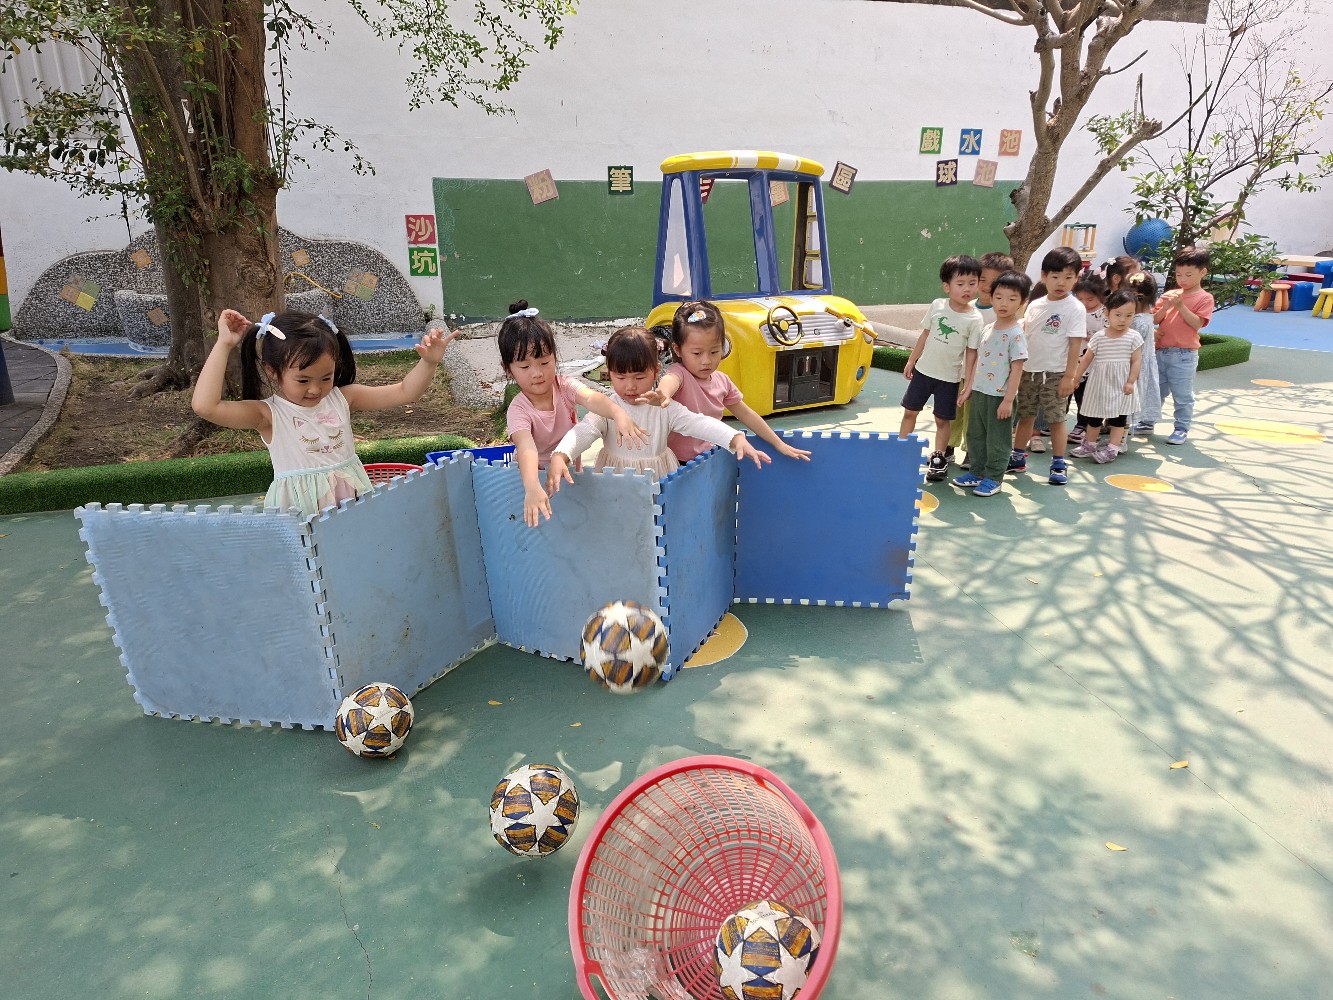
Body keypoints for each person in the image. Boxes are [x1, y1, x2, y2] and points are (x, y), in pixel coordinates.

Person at [192, 309, 453, 516]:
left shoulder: (343, 398)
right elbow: (206, 406)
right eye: (303, 380)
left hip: (352, 505)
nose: (316, 389)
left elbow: (406, 392)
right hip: (300, 514)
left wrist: (428, 362)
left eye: (326, 377)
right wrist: (224, 344)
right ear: (272, 371)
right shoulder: (268, 415)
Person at [546, 326, 770, 491]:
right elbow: (584, 430)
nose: (630, 386)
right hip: (616, 480)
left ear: (655, 371)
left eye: (639, 377)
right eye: (620, 377)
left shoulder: (664, 408)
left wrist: (734, 438)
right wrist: (562, 454)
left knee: (658, 528)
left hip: (658, 477)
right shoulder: (607, 409)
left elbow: (699, 423)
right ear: (609, 373)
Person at [498, 300, 648, 527]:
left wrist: (617, 412)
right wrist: (532, 486)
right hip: (532, 478)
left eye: (544, 362)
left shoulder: (563, 385)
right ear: (508, 369)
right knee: (541, 525)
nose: (537, 373)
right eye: (525, 367)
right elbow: (526, 448)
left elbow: (591, 398)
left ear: (555, 357)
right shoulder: (518, 410)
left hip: (567, 470)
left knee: (573, 523)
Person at [639, 299, 812, 463]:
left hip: (711, 457)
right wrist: (664, 394)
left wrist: (778, 444)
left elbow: (747, 414)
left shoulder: (723, 381)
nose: (706, 360)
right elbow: (670, 380)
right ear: (678, 350)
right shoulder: (680, 373)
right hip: (679, 464)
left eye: (714, 352)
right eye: (697, 353)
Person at [900, 255, 984, 482]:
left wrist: (969, 384)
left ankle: (939, 457)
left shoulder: (975, 319)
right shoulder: (937, 306)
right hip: (923, 372)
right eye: (960, 283)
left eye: (972, 283)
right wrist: (912, 360)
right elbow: (925, 334)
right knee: (910, 412)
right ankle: (902, 449)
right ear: (947, 286)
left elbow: (972, 353)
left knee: (942, 420)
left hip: (949, 379)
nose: (967, 289)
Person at [1009, 246, 1087, 485]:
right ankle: (1017, 457)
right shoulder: (1035, 305)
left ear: (1076, 278)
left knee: (1056, 420)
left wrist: (1069, 377)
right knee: (1025, 416)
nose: (1061, 282)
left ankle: (1059, 463)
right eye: (1055, 276)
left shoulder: (1075, 308)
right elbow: (1027, 335)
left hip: (1056, 373)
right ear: (1044, 276)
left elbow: (1075, 345)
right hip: (1029, 371)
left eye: (1068, 277)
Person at [950, 270, 1030, 497]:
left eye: (1012, 299)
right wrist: (968, 388)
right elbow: (978, 360)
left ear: (1022, 302)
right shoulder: (987, 329)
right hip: (979, 393)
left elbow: (1017, 368)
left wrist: (1008, 400)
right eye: (999, 297)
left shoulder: (1016, 334)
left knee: (997, 440)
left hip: (999, 397)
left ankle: (994, 478)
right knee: (976, 435)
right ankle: (976, 472)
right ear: (991, 297)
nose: (1004, 303)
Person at [950, 251, 1013, 468]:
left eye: (994, 281)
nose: (987, 286)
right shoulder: (967, 307)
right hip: (959, 372)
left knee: (973, 417)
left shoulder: (1001, 313)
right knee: (953, 411)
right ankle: (948, 448)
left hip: (982, 378)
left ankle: (972, 452)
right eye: (982, 279)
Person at [1149, 246, 1214, 445]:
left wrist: (1180, 306)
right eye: (1178, 274)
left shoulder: (1205, 298)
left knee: (1182, 394)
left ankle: (1181, 428)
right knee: (1155, 390)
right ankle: (1147, 421)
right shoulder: (1171, 294)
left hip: (1185, 355)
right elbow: (1154, 319)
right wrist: (1166, 307)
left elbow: (1197, 324)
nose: (1182, 279)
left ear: (1202, 273)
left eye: (1188, 274)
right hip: (1161, 351)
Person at [1068, 289, 1143, 463]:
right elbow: (1086, 359)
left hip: (1121, 385)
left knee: (1118, 418)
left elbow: (1136, 361)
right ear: (1107, 313)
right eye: (1118, 314)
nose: (1123, 320)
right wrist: (1076, 378)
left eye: (1129, 315)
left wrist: (1131, 381)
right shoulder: (1099, 337)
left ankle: (1112, 448)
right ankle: (1090, 444)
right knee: (1094, 417)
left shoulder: (1134, 337)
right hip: (1099, 384)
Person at [1067, 272, 1108, 447]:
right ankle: (1054, 421)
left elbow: (1107, 335)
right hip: (1073, 360)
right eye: (1080, 298)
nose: (1085, 303)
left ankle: (1082, 425)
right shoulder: (1075, 310)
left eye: (1090, 299)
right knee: (1069, 392)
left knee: (1085, 396)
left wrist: (1089, 337)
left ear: (1100, 296)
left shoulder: (1104, 312)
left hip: (1092, 363)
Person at [1126, 272, 1163, 441]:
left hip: (1133, 366)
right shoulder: (1146, 317)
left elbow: (1130, 347)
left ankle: (1120, 439)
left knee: (1127, 403)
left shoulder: (1137, 321)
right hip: (1140, 364)